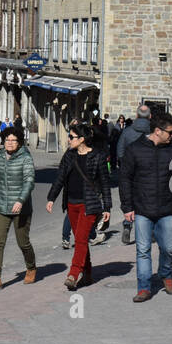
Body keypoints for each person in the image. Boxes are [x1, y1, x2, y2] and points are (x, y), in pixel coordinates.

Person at [119, 110, 172, 301]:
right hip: (142, 209)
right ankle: (144, 287)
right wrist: (127, 207)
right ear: (158, 131)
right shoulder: (134, 149)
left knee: (168, 248)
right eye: (170, 132)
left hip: (166, 209)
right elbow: (125, 179)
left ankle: (165, 274)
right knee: (143, 250)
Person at [46, 121, 112, 291]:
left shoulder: (97, 156)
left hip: (88, 205)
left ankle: (73, 274)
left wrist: (107, 207)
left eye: (71, 137)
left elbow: (105, 183)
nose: (69, 139)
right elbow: (60, 177)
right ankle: (88, 273)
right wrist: (51, 198)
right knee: (81, 240)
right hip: (71, 204)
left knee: (81, 239)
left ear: (82, 139)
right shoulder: (69, 155)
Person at [0, 126, 38, 291]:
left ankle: (31, 267)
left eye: (13, 140)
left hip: (21, 208)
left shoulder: (25, 158)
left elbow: (29, 181)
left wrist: (20, 200)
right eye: (7, 140)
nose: (9, 143)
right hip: (2, 205)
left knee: (23, 242)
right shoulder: (0, 156)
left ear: (19, 142)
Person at [116, 103, 152, 245]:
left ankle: (127, 224)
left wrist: (124, 165)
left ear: (136, 115)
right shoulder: (153, 132)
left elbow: (120, 151)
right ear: (150, 116)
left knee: (130, 200)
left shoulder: (127, 132)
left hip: (130, 172)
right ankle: (148, 229)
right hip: (147, 172)